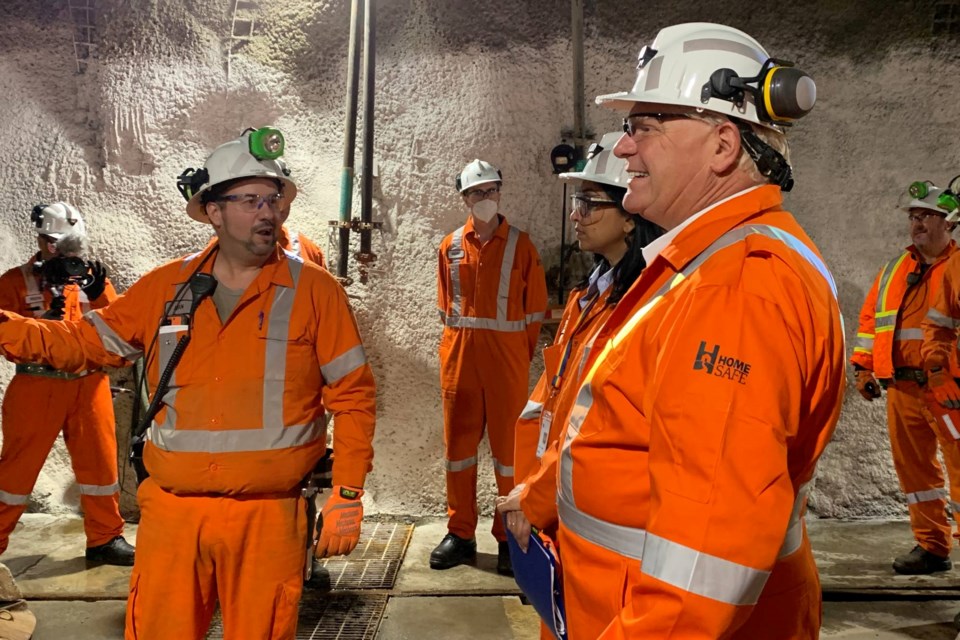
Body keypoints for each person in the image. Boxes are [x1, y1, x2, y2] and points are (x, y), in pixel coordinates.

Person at [0, 128, 376, 640]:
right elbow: (80, 343)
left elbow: (353, 398)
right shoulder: (166, 288)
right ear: (214, 211)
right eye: (249, 200)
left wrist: (348, 495)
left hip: (269, 517)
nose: (268, 212)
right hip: (173, 515)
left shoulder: (315, 292)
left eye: (274, 199)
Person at [535, 23, 844, 638]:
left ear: (723, 145)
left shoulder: (736, 290)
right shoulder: (703, 265)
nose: (623, 151)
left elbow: (703, 569)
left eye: (643, 127)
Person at [497, 132, 662, 638]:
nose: (577, 214)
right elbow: (552, 411)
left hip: (596, 532)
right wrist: (529, 491)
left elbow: (595, 429)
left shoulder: (644, 309)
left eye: (592, 203)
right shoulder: (587, 299)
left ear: (631, 215)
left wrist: (537, 497)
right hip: (559, 513)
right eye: (578, 201)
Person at [0, 203, 133, 566]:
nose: (64, 254)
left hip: (89, 384)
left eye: (70, 246)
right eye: (55, 244)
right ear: (42, 240)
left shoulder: (91, 280)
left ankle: (105, 538)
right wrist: (47, 327)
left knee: (101, 467)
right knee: (15, 472)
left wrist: (98, 290)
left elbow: (121, 331)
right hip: (37, 384)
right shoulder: (15, 281)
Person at [433, 159, 547, 575]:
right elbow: (447, 309)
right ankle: (460, 533)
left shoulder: (521, 245)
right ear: (463, 197)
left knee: (509, 457)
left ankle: (507, 537)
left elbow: (534, 312)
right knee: (457, 454)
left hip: (506, 364)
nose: (485, 198)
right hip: (459, 362)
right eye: (477, 192)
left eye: (491, 190)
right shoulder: (450, 246)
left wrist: (515, 354)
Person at [853, 181, 960, 575]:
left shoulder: (958, 267)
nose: (917, 224)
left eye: (926, 217)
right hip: (902, 389)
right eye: (913, 217)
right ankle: (933, 547)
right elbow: (871, 322)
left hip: (950, 392)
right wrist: (863, 368)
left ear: (948, 224)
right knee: (916, 474)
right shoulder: (895, 269)